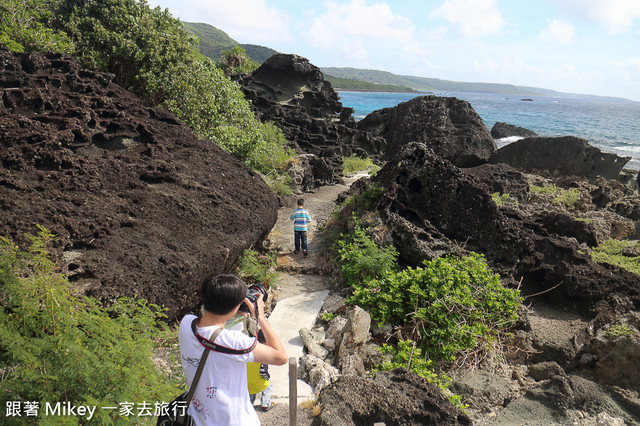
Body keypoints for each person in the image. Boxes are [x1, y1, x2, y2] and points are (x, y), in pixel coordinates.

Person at [178, 274, 287, 425]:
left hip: (197, 419)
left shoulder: (186, 324)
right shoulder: (235, 342)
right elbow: (280, 357)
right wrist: (260, 317)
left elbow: (210, 327)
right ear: (235, 307)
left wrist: (229, 313)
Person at [248, 331, 274, 411]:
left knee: (251, 395)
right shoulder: (263, 353)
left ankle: (249, 406)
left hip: (247, 382)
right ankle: (265, 404)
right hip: (258, 382)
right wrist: (267, 377)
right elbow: (263, 371)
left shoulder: (250, 349)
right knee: (268, 386)